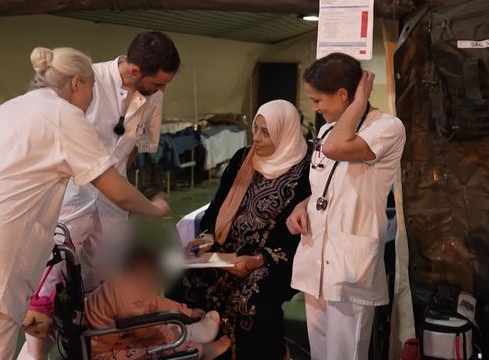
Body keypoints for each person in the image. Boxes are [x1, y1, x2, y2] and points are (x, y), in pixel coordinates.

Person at [0, 46, 170, 360]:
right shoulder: (64, 116)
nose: (91, 98)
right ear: (77, 83)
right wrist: (154, 209)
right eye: (92, 89)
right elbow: (116, 190)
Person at [19, 31, 180, 359]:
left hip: (111, 210)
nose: (161, 91)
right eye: (158, 83)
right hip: (67, 206)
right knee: (52, 303)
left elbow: (132, 148)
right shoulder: (84, 83)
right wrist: (149, 207)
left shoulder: (152, 98)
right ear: (134, 71)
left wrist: (123, 187)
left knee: (100, 300)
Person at [168, 100, 311, 360]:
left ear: (286, 132)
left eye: (265, 132)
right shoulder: (243, 158)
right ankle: (199, 351)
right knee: (184, 280)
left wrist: (259, 259)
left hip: (277, 259)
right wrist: (206, 238)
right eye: (255, 128)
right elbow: (219, 204)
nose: (256, 137)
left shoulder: (307, 169)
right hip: (229, 250)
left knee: (251, 298)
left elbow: (300, 233)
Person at [286, 53, 406, 360]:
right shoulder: (329, 130)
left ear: (343, 95)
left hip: (350, 265)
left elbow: (338, 150)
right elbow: (325, 186)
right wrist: (302, 206)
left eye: (317, 100)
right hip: (317, 259)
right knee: (320, 353)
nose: (314, 108)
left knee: (345, 354)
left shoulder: (387, 128)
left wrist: (358, 103)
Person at [85, 247, 231, 360]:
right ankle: (203, 351)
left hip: (112, 337)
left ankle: (189, 332)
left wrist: (187, 311)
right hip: (103, 353)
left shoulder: (125, 282)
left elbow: (155, 302)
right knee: (164, 345)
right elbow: (144, 329)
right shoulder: (127, 296)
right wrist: (169, 335)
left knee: (157, 324)